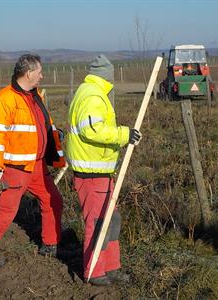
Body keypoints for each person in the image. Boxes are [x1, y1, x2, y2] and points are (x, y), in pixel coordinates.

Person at [0, 54, 66, 270]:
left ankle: (50, 244)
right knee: (5, 210)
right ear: (28, 73)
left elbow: (45, 123)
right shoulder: (3, 99)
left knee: (54, 200)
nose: (42, 76)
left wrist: (55, 135)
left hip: (38, 165)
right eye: (39, 72)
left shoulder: (35, 96)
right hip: (16, 169)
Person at [66, 54, 142, 286]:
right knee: (99, 223)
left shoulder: (92, 92)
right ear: (106, 76)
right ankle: (94, 271)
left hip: (101, 172)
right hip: (92, 174)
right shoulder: (92, 95)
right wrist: (123, 135)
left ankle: (111, 266)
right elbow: (93, 130)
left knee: (112, 220)